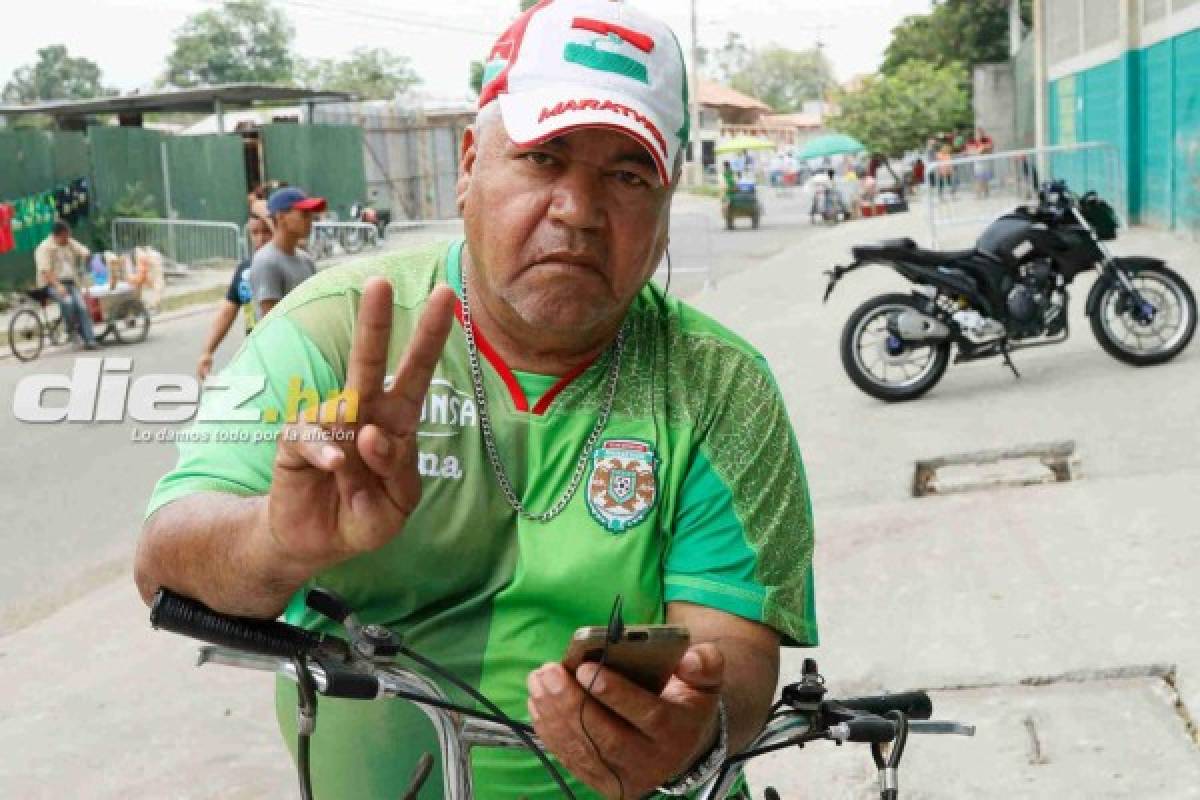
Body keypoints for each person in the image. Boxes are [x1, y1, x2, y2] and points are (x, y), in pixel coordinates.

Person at [135, 2, 817, 798]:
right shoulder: (330, 333)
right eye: (542, 159)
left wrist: (686, 733)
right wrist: (276, 541)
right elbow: (163, 562)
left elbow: (733, 657)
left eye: (627, 175)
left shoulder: (722, 387)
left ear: (667, 211)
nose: (578, 210)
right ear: (469, 165)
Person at [196, 215, 273, 380]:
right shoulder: (244, 270)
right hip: (256, 355)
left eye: (267, 231)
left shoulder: (294, 263)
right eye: (255, 232)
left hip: (288, 354)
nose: (261, 238)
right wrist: (207, 351)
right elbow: (226, 313)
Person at [249, 187, 323, 320]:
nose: (310, 220)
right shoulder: (266, 262)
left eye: (311, 215)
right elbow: (272, 320)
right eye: (304, 214)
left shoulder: (307, 260)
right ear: (281, 217)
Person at [34, 220, 98, 350]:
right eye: (65, 236)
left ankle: (90, 340)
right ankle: (71, 331)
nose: (67, 239)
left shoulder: (69, 242)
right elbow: (45, 271)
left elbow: (83, 250)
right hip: (50, 284)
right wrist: (57, 285)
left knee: (82, 306)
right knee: (68, 302)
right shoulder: (44, 248)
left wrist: (86, 254)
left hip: (71, 282)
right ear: (57, 235)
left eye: (68, 235)